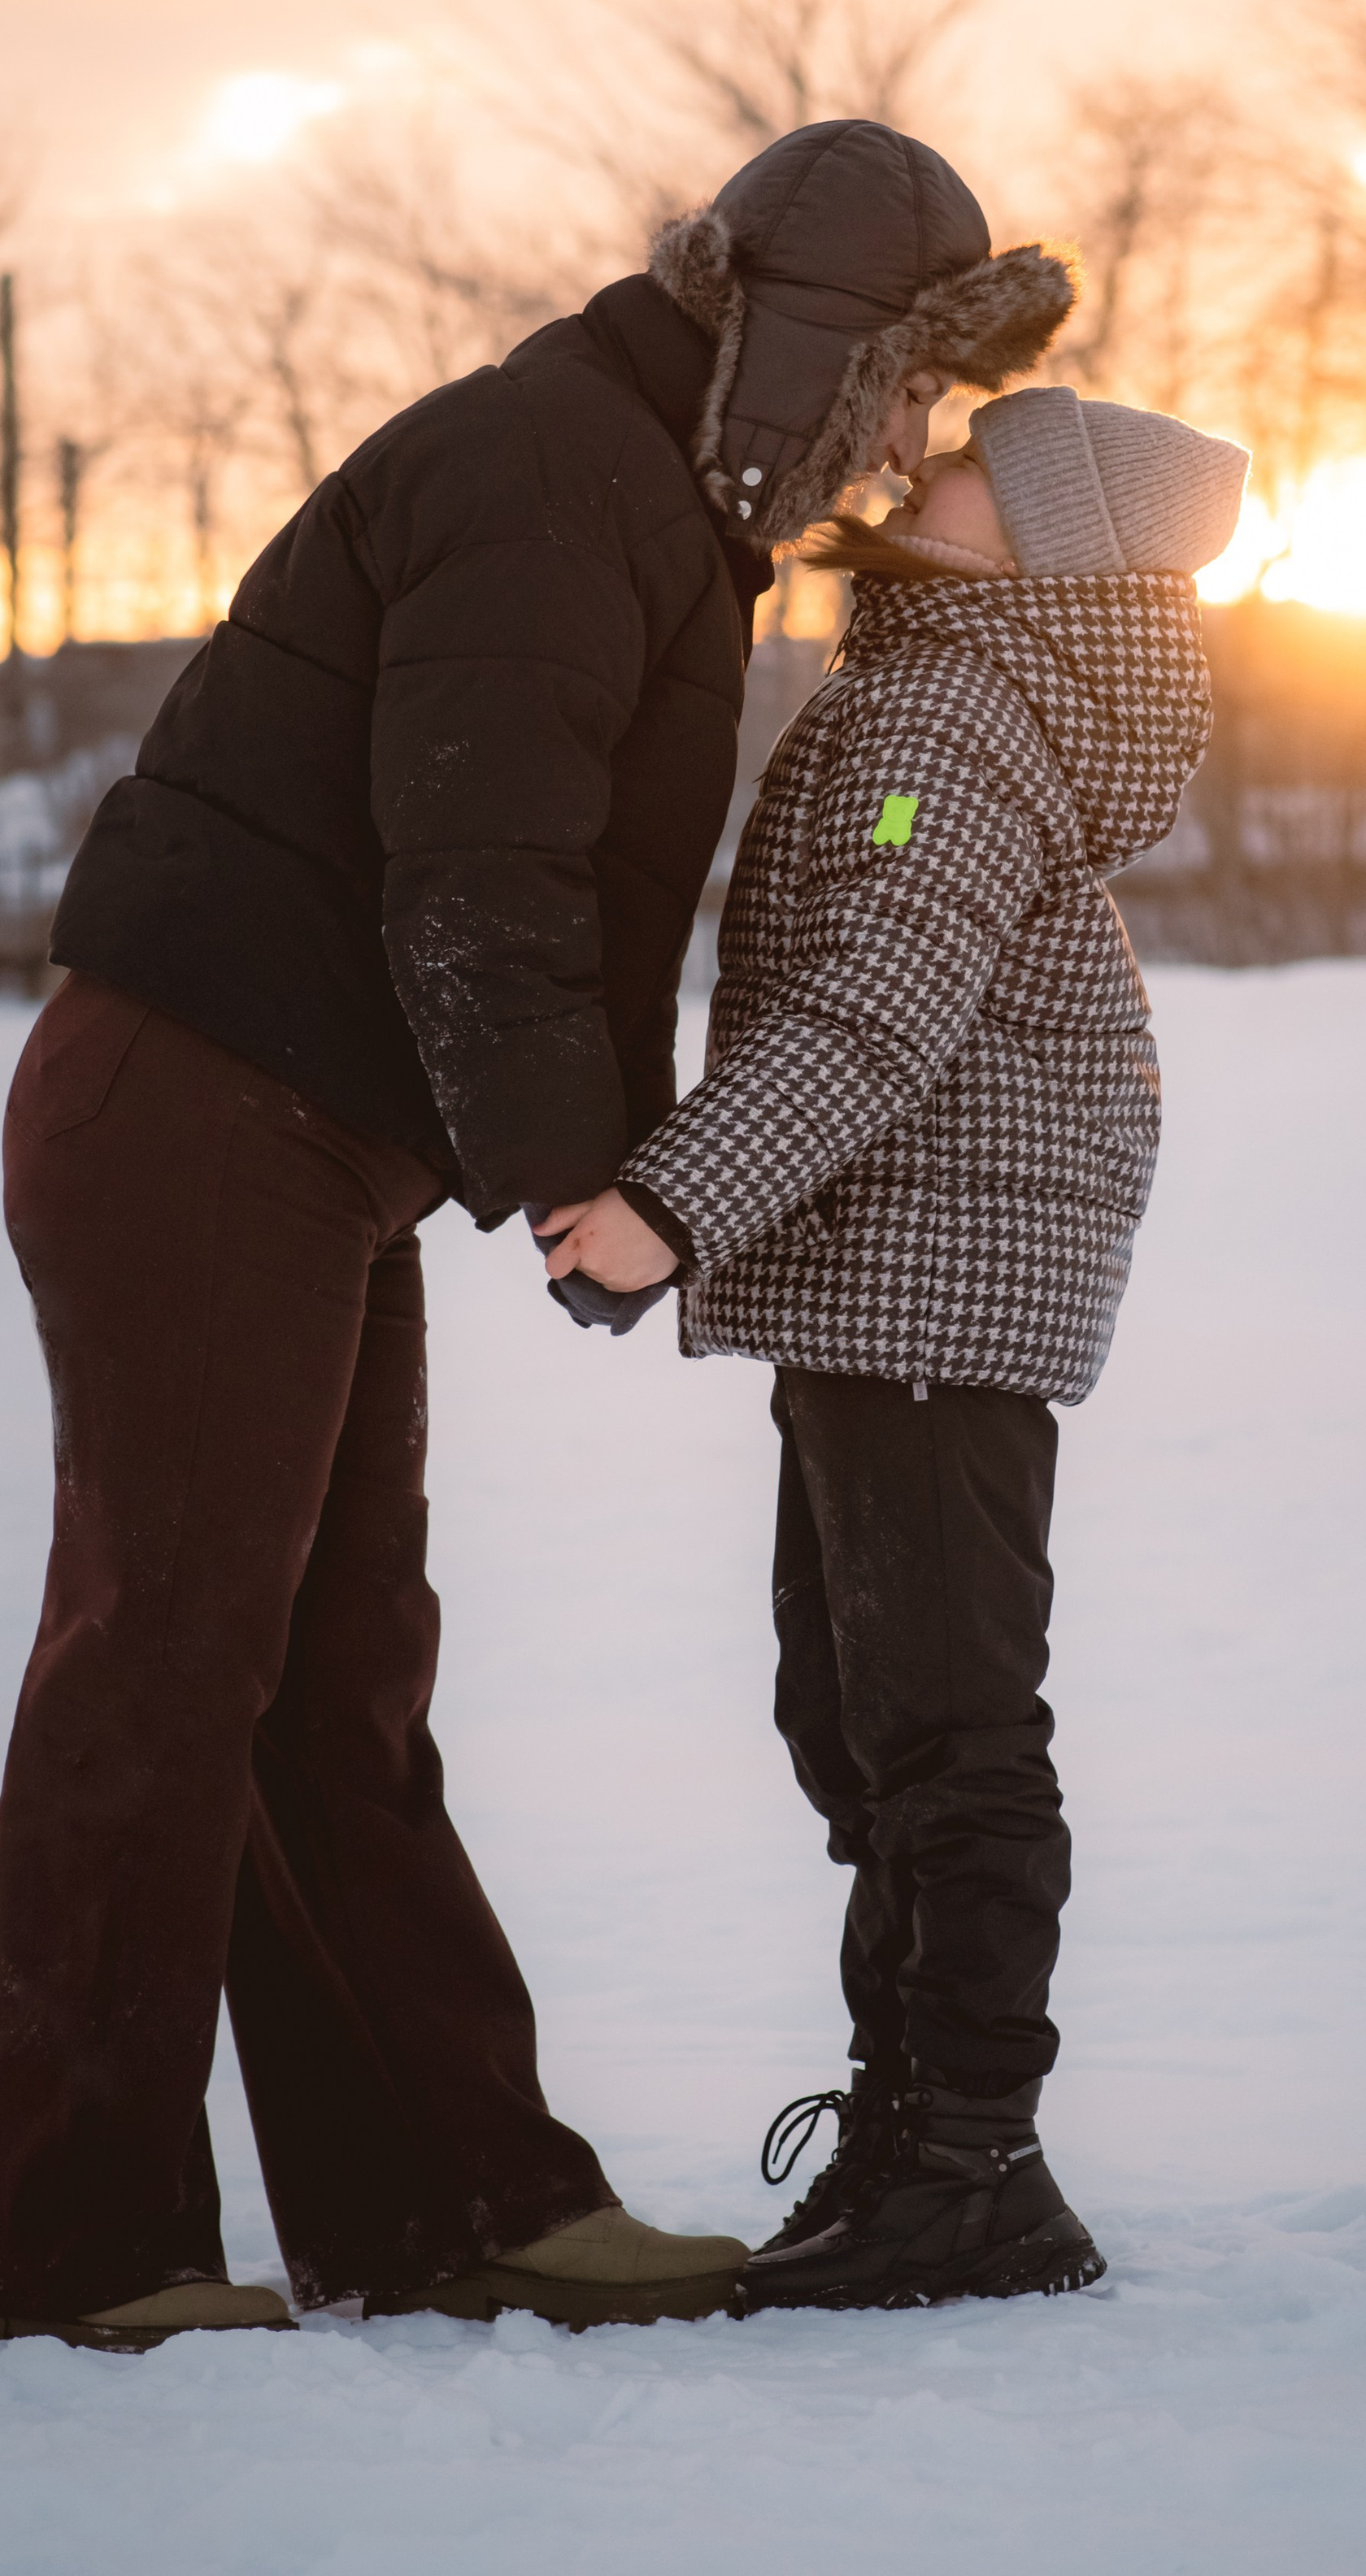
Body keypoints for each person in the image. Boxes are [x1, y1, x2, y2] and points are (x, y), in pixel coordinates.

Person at [0, 120, 1075, 2352]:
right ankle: (49, 2250)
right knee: (166, 1664)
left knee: (339, 1687)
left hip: (297, 1126)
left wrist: (594, 1148)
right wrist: (582, 1173)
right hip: (197, 1102)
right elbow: (480, 871)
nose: (910, 443)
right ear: (812, 342)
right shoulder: (558, 475)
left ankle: (454, 2205)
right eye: (906, 389)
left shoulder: (634, 489)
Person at [542, 381, 1246, 2312]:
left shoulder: (947, 716)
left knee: (937, 1730)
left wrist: (666, 1207)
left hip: (929, 1283)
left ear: (1038, 534)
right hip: (898, 1281)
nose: (921, 460)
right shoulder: (943, 685)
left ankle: (969, 2170)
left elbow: (874, 1005)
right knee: (856, 1722)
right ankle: (915, 2124)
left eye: (969, 460)